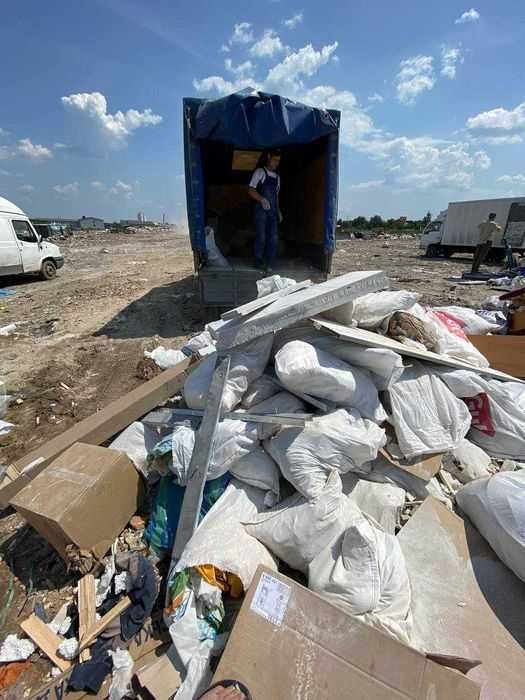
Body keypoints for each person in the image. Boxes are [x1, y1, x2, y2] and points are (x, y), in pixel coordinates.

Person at [248, 149, 283, 272]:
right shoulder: (260, 172)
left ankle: (269, 263)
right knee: (261, 236)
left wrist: (278, 211)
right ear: (269, 157)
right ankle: (258, 261)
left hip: (272, 212)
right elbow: (251, 189)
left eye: (278, 161)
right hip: (261, 211)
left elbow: (276, 196)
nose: (276, 163)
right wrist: (261, 199)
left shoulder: (277, 178)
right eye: (274, 160)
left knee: (273, 238)